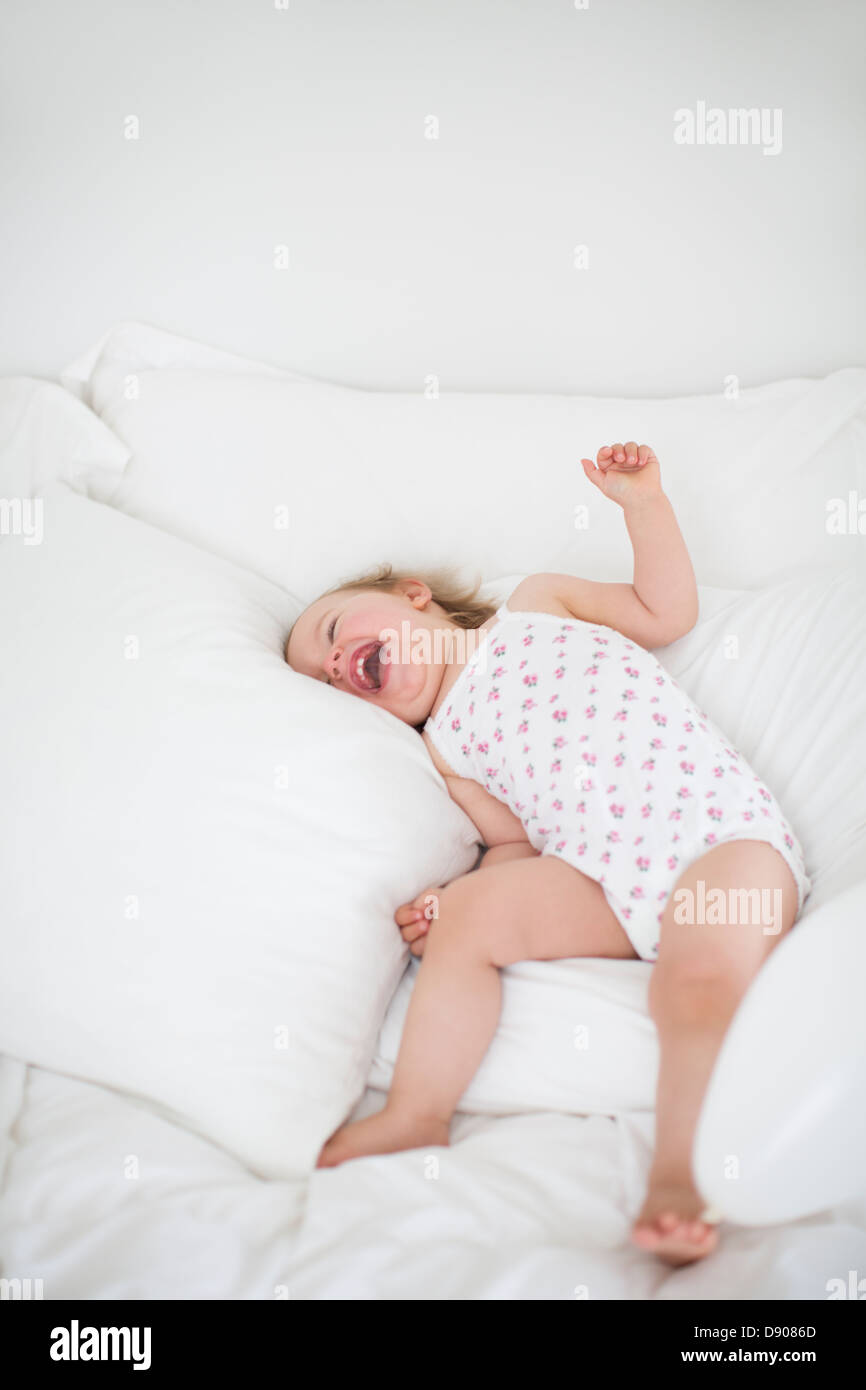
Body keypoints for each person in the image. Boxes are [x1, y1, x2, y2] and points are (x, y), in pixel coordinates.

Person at [285, 441, 810, 1266]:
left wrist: (644, 506)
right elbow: (514, 847)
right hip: (600, 876)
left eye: (332, 631)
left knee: (697, 984)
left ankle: (683, 1175)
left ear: (411, 596)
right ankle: (418, 1110)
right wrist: (449, 907)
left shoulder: (537, 605)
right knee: (469, 919)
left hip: (718, 838)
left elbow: (665, 612)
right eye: (324, 680)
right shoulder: (446, 752)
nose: (336, 666)